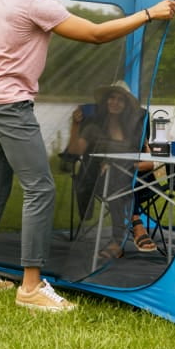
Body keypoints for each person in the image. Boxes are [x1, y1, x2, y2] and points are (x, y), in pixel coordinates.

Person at [0, 0, 175, 312]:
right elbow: (94, 35)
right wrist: (148, 14)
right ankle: (31, 287)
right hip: (10, 106)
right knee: (40, 189)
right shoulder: (34, 2)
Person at [64, 82, 160, 261]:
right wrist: (75, 125)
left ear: (126, 105)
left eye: (120, 99)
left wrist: (125, 165)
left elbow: (149, 163)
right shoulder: (93, 127)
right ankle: (136, 223)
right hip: (101, 180)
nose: (114, 102)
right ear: (105, 101)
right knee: (115, 178)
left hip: (136, 179)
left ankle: (118, 242)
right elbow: (75, 151)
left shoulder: (135, 130)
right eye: (111, 97)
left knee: (119, 175)